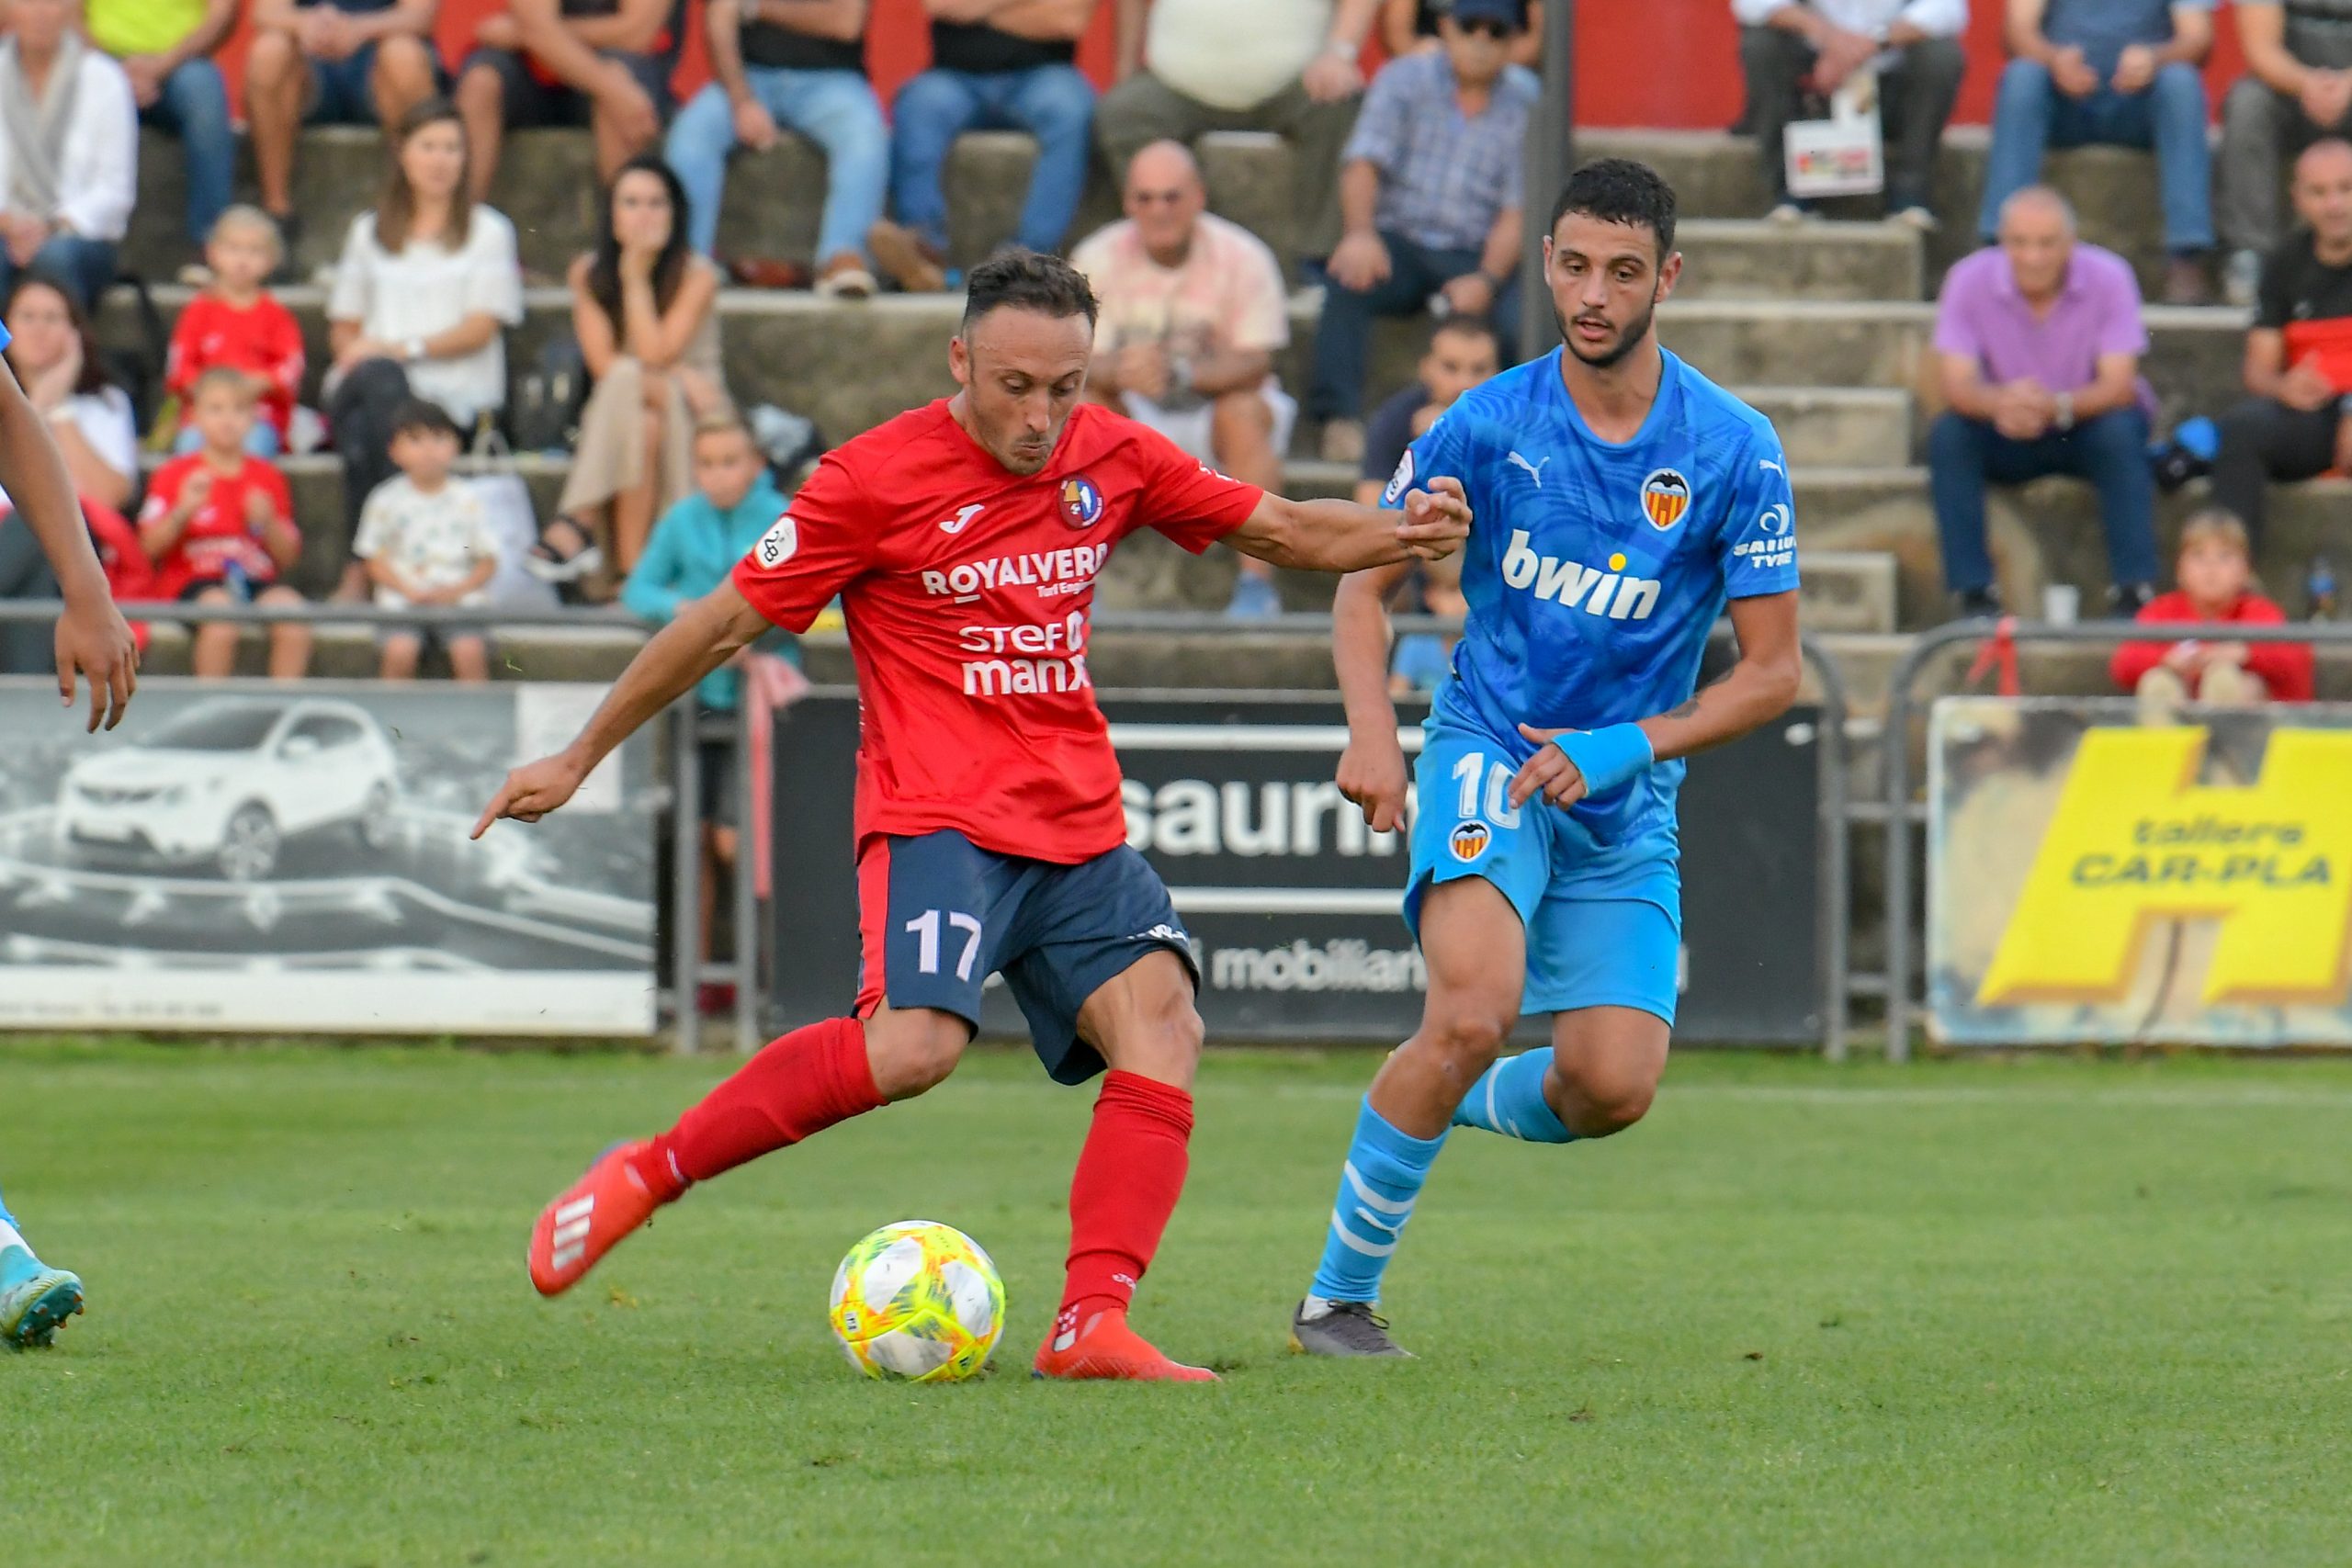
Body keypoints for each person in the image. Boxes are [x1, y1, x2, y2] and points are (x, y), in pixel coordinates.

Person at [473, 249, 1471, 1382]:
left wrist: (1405, 531)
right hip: (937, 818)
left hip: (1075, 823)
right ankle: (648, 1171)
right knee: (913, 1049)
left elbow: (1287, 529)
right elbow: (718, 624)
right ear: (959, 360)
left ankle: (1089, 1323)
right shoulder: (869, 480)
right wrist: (580, 753)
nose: (1041, 418)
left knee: (1164, 1026)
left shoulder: (1112, 453)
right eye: (1015, 386)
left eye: (1066, 387)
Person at [1287, 157, 1803, 1359]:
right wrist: (1373, 732)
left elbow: (1773, 673)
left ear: (1666, 278)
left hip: (1623, 793)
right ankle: (1336, 1301)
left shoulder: (1734, 448)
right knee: (1474, 1007)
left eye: (1622, 271)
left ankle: (1432, 1089)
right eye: (1573, 266)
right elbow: (1361, 591)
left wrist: (1624, 745)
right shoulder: (1485, 424)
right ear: (1549, 267)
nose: (1593, 293)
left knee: (1611, 1087)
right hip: (1490, 749)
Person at [1074, 141, 1295, 617]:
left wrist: (1183, 373)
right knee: (1084, 410)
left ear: (1198, 197)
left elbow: (1257, 361)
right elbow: (1075, 359)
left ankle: (1256, 585)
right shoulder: (1096, 256)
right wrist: (1121, 370)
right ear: (1128, 202)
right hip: (1134, 414)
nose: (1159, 210)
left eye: (1171, 197)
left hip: (1218, 413)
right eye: (1146, 198)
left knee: (1244, 410)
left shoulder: (1243, 256)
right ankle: (1080, 575)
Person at [1306, 0, 1532, 465]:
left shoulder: (1526, 105)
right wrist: (1360, 234)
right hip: (1399, 241)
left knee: (1522, 316)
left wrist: (1487, 279)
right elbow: (1363, 162)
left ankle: (1508, 436)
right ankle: (1338, 421)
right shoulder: (1403, 79)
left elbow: (1518, 210)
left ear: (1513, 43)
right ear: (1446, 28)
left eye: (1496, 32)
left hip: (1476, 252)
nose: (1481, 41)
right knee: (1347, 279)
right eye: (1470, 26)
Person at [1927, 186, 2157, 619]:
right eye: (2020, 243)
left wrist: (2057, 407)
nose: (2033, 257)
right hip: (2004, 427)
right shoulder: (1967, 279)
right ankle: (1973, 593)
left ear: (2071, 243)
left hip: (2084, 426)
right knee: (1949, 437)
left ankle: (2133, 589)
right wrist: (2001, 404)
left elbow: (2120, 383)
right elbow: (1956, 384)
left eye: (2047, 243)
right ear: (2002, 241)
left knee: (2121, 431)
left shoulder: (2110, 276)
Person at [325, 97, 524, 598]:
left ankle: (363, 566)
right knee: (378, 384)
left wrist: (400, 348)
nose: (440, 160)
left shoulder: (489, 232)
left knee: (364, 427)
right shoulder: (369, 231)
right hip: (376, 385)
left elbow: (481, 326)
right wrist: (361, 353)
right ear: (403, 153)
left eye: (452, 148)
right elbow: (344, 325)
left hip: (449, 403)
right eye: (428, 146)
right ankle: (391, 564)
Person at [620, 416, 793, 977]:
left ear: (757, 466)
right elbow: (639, 589)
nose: (717, 475)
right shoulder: (682, 519)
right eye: (706, 464)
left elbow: (820, 595)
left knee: (743, 842)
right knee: (693, 841)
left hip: (764, 704)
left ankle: (771, 977)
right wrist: (690, 615)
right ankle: (699, 978)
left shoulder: (782, 518)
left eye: (729, 462)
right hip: (696, 696)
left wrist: (751, 631)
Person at [542, 155, 727, 586]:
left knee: (634, 391)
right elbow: (603, 364)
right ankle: (633, 574)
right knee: (643, 421)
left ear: (675, 213)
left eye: (656, 203)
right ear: (611, 214)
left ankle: (579, 518)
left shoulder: (698, 274)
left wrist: (635, 277)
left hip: (696, 406)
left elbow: (657, 353)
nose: (644, 215)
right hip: (629, 405)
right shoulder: (587, 272)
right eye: (631, 203)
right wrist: (675, 371)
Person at [1096, 0, 1373, 271]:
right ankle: (1166, 256)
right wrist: (1126, 70)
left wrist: (1340, 53)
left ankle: (1319, 262)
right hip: (1176, 85)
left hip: (1299, 84)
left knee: (1339, 103)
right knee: (1125, 113)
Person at [1977, 0, 2214, 305]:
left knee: (2181, 81)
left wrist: (2155, 58)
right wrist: (2054, 60)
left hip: (2140, 103)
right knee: (2022, 76)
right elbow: (2018, 31)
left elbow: (2196, 38)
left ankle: (2186, 256)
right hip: (2062, 103)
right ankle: (2001, 248)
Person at [865, 0, 1100, 293]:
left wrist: (976, 11)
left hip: (1045, 76)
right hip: (954, 77)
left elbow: (1067, 20)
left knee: (1072, 113)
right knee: (917, 107)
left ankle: (1031, 259)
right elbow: (940, 5)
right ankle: (925, 253)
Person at [662, 0, 883, 295]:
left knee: (865, 138)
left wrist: (754, 7)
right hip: (749, 77)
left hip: (832, 81)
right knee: (691, 136)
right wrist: (742, 101)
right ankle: (688, 259)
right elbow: (719, 23)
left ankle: (842, 257)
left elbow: (846, 23)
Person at [2211, 139, 2352, 553]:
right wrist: (2283, 387)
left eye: (2346, 188)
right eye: (2319, 192)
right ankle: (2232, 576)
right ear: (2297, 199)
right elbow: (2258, 370)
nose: (2335, 205)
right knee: (2242, 430)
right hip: (2314, 414)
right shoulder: (2283, 263)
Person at [138, 368, 310, 680]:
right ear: (195, 417)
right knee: (221, 619)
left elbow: (288, 558)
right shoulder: (174, 474)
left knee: (294, 617)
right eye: (216, 409)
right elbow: (148, 547)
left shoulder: (268, 476)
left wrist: (269, 522)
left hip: (254, 575)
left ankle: (284, 703)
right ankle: (211, 701)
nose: (227, 420)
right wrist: (183, 510)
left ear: (253, 418)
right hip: (193, 579)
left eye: (239, 409)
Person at [1733, 0, 1968, 226]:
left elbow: (1947, 8)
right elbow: (1752, 4)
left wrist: (1873, 42)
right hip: (1815, 87)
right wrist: (1827, 37)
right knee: (1760, 44)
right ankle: (1790, 193)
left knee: (1941, 56)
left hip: (1892, 84)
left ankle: (1909, 195)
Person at [243, 0, 445, 259]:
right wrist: (306, 23)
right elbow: (265, 13)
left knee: (403, 52)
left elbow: (420, 18)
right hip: (309, 68)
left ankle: (415, 213)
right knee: (269, 50)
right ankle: (277, 215)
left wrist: (358, 28)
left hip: (379, 64)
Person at [455, 0, 681, 200]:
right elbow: (534, 25)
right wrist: (612, 89)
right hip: (534, 75)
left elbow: (636, 35)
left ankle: (622, 228)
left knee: (619, 76)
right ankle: (457, 225)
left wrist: (533, 34)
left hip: (623, 66)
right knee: (480, 82)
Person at [0, 0, 138, 310]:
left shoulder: (105, 78)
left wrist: (49, 226)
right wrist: (9, 224)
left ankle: (66, 342)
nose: (40, 12)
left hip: (79, 237)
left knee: (54, 258)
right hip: (6, 227)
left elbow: (115, 190)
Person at [2110, 509, 2314, 711]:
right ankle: (2167, 732)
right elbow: (2124, 663)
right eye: (2198, 555)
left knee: (2230, 680)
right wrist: (2166, 659)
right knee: (2158, 682)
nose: (2211, 566)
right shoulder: (2162, 611)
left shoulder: (2259, 611)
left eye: (2225, 556)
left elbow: (2294, 658)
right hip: (2182, 706)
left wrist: (2243, 654)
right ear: (2179, 570)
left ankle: (2223, 731)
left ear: (2245, 571)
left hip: (2249, 723)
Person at [355, 397, 497, 681]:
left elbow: (487, 559)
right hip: (402, 600)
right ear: (394, 451)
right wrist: (406, 589)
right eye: (415, 440)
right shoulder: (384, 499)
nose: (429, 450)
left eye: (439, 438)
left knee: (469, 651)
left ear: (456, 445)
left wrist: (456, 590)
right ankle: (393, 710)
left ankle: (477, 709)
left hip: (461, 600)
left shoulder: (469, 499)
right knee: (399, 650)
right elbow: (373, 559)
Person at [2220, 1, 2352, 306]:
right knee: (2247, 104)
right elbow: (2261, 49)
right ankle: (2251, 254)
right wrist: (2306, 84)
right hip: (2290, 92)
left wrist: (2347, 86)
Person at [85, 0, 236, 267]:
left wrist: (161, 65)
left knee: (205, 94)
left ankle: (212, 246)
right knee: (73, 84)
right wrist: (113, 73)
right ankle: (74, 238)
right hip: (98, 57)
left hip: (180, 62)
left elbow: (221, 12)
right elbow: (66, 12)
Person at [163, 208, 306, 457]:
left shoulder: (277, 316)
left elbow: (290, 367)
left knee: (254, 448)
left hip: (258, 418)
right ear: (213, 253)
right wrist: (213, 390)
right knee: (189, 448)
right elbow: (179, 368)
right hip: (202, 420)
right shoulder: (198, 311)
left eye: (255, 251)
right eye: (233, 249)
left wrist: (259, 382)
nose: (242, 259)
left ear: (271, 259)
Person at [0, 277, 137, 518]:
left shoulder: (106, 401)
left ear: (75, 333)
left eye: (52, 318)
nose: (39, 329)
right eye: (27, 317)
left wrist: (59, 408)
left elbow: (109, 497)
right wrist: (39, 405)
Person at [1353, 313, 1501, 506]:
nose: (1464, 383)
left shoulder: (1520, 424)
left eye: (1479, 370)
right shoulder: (1396, 419)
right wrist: (1426, 450)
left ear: (1499, 373)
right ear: (1425, 368)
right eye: (1450, 367)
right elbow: (1370, 509)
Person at [1386, 547, 1462, 696]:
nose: (1462, 600)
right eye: (1452, 591)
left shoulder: (1484, 645)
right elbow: (1397, 695)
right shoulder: (1416, 644)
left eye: (1467, 591)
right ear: (1431, 596)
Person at [1380, 0, 1543, 69]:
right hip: (1431, 61)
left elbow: (1537, 41)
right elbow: (1397, 34)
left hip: (1503, 65)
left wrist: (1487, 62)